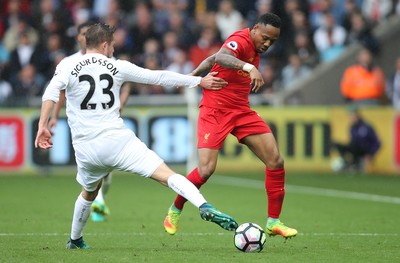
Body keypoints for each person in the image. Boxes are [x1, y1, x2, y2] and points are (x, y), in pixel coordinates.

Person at [34, 23, 238, 249]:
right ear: (104, 44)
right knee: (167, 176)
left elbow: (51, 92)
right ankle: (203, 205)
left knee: (89, 192)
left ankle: (75, 239)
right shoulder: (117, 66)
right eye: (112, 45)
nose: (113, 50)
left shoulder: (67, 64)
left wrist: (43, 125)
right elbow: (157, 77)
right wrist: (198, 81)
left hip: (85, 148)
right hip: (118, 142)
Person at [163, 13, 298, 239]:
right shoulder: (240, 39)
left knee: (275, 160)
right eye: (265, 38)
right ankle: (175, 209)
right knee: (206, 169)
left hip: (241, 111)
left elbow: (214, 57)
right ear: (255, 29)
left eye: (272, 41)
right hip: (215, 110)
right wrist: (249, 68)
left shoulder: (255, 46)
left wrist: (194, 74)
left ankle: (274, 221)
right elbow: (224, 56)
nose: (267, 44)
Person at [47, 21, 112, 223]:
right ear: (78, 37)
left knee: (106, 174)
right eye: (82, 33)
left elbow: (121, 84)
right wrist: (53, 117)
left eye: (88, 33)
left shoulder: (108, 58)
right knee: (90, 164)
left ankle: (99, 197)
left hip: (107, 120)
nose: (85, 37)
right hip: (82, 124)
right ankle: (97, 201)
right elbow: (61, 92)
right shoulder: (69, 62)